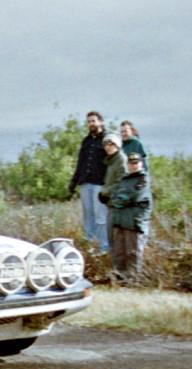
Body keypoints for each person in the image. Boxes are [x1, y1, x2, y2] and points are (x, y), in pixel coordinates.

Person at [101, 153, 152, 281]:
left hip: (134, 221)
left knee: (133, 253)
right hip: (119, 220)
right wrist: (110, 198)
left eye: (136, 163)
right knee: (119, 251)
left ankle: (133, 279)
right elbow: (114, 193)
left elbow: (134, 196)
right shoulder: (124, 179)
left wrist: (116, 201)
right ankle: (120, 277)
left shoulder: (143, 179)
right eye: (131, 163)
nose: (133, 166)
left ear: (141, 163)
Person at [69, 111, 109, 252]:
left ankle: (104, 248)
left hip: (100, 184)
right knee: (88, 217)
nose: (91, 124)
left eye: (93, 121)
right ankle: (91, 247)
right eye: (89, 121)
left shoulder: (107, 139)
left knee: (101, 217)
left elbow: (112, 161)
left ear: (101, 122)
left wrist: (109, 185)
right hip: (85, 183)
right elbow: (81, 162)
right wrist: (73, 182)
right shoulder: (86, 141)